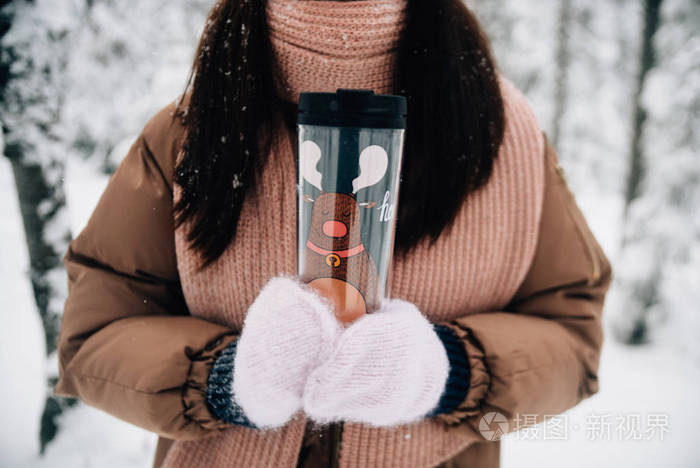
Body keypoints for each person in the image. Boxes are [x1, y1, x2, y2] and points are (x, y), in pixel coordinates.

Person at [53, 0, 612, 467]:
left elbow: (573, 334)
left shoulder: (507, 137)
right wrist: (221, 381)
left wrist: (450, 370)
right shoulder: (189, 130)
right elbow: (94, 335)